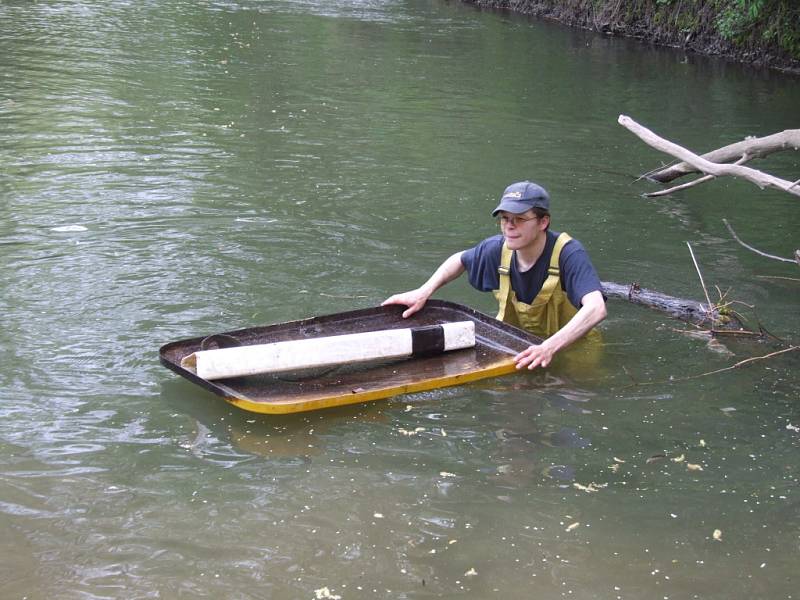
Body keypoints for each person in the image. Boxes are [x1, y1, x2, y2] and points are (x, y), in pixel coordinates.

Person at [382, 181, 606, 370]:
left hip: (573, 348)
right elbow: (459, 260)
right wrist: (423, 292)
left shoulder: (569, 254)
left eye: (519, 218)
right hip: (517, 347)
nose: (509, 226)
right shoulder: (497, 250)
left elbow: (596, 308)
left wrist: (549, 347)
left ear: (543, 222)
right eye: (504, 218)